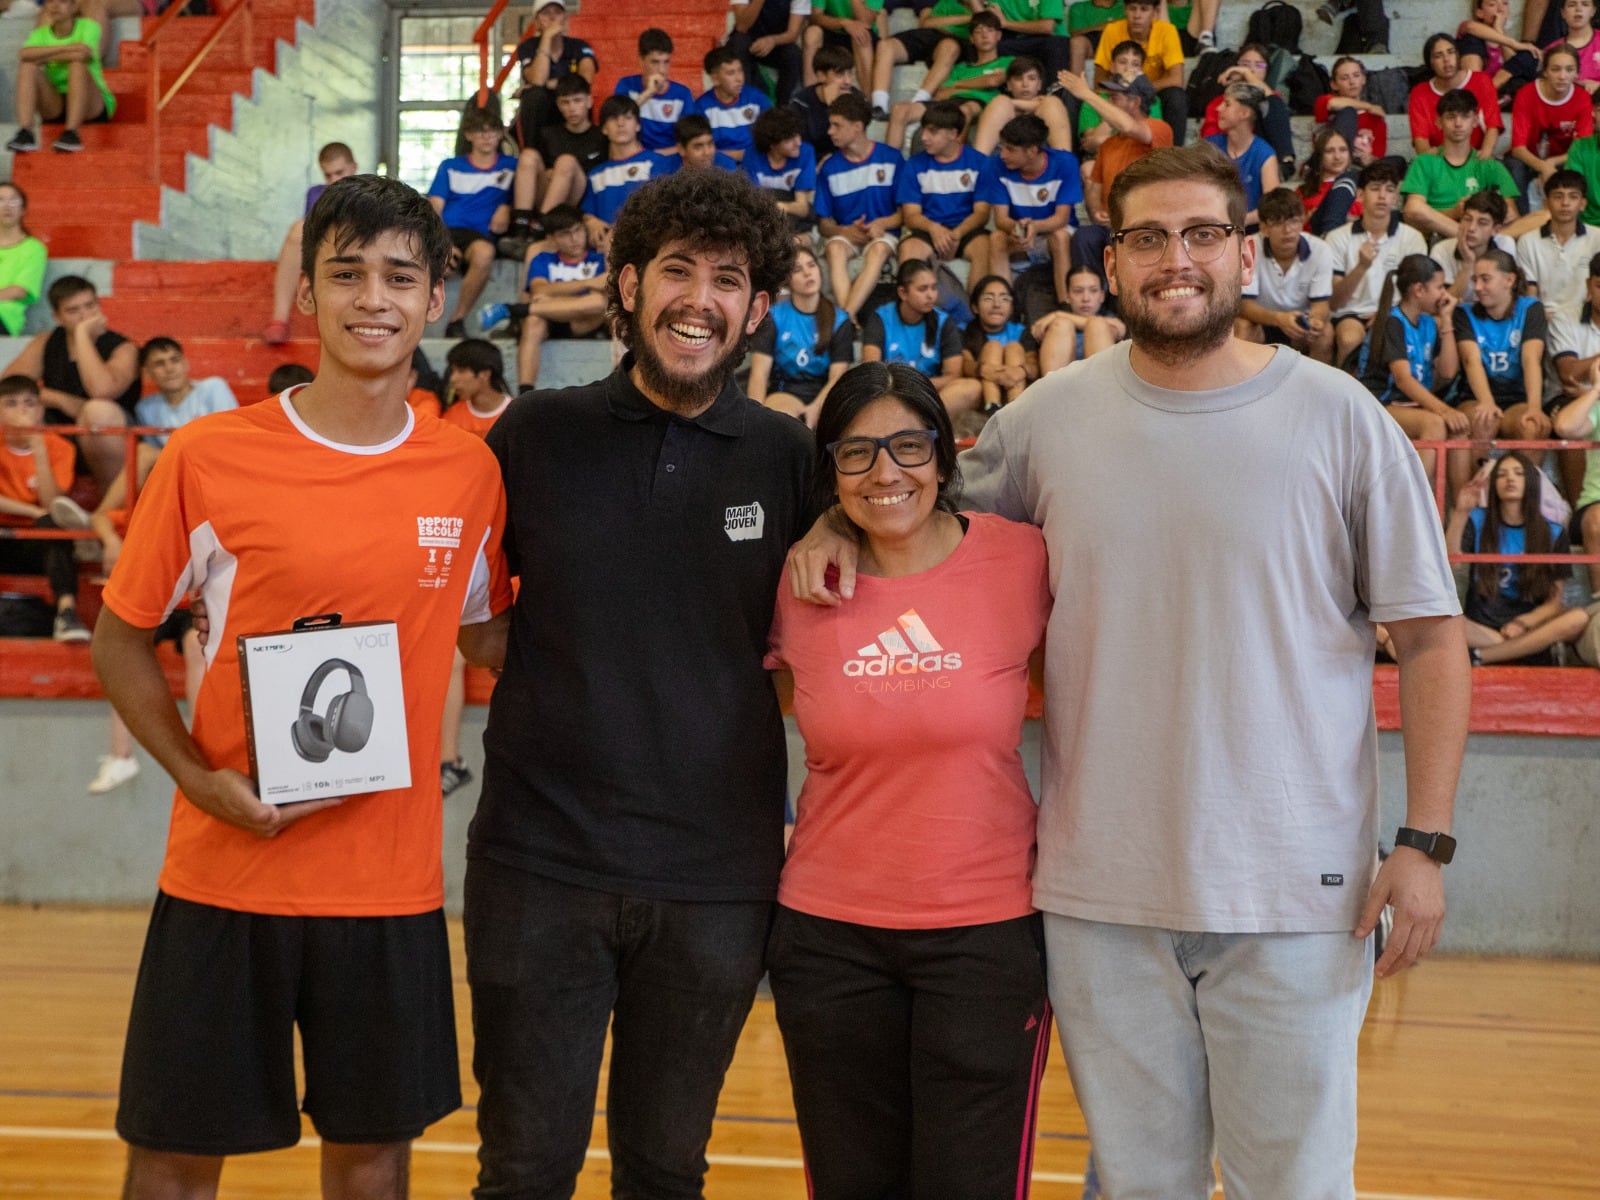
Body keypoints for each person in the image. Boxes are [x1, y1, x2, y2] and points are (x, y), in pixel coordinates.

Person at [786, 142, 1470, 1200]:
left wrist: (1424, 841)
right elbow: (912, 498)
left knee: (1289, 1185)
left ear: (1246, 252)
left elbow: (1429, 639)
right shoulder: (1047, 421)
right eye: (1147, 238)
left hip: (1294, 892)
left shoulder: (1342, 419)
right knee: (1134, 1185)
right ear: (1112, 256)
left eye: (1202, 234)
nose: (1175, 261)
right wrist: (832, 514)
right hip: (1100, 893)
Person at [90, 173, 513, 1200]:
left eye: (400, 277)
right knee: (174, 1160)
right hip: (228, 871)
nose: (375, 298)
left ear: (435, 299)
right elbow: (118, 639)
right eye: (348, 274)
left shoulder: (468, 474)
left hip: (389, 885)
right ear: (311, 295)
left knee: (371, 1164)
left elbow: (493, 641)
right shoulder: (207, 455)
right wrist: (195, 778)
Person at [463, 167, 813, 1200]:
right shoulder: (534, 433)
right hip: (540, 863)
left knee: (664, 1172)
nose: (697, 297)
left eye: (727, 277)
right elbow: (477, 623)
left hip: (715, 876)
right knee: (524, 1168)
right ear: (624, 286)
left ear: (756, 307)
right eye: (674, 270)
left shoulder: (785, 455)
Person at [764, 359, 1053, 1198]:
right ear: (831, 472)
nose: (885, 472)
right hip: (827, 940)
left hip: (985, 940)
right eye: (856, 454)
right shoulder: (794, 583)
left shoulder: (1023, 561)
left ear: (942, 455)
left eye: (906, 446)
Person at [1, 274, 140, 492]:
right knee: (15, 408)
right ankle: (27, 498)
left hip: (112, 442)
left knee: (98, 410)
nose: (84, 315)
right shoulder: (46, 341)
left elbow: (100, 390)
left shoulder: (123, 348)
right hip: (57, 435)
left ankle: (110, 503)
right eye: (73, 311)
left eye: (89, 306)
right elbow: (9, 388)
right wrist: (60, 400)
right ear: (58, 316)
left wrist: (83, 335)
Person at [1449, 453, 1590, 662]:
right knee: (1443, 618)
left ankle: (1481, 657)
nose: (1510, 479)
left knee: (1578, 618)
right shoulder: (1477, 519)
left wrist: (1523, 623)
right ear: (1494, 484)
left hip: (1528, 628)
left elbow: (1554, 602)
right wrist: (1460, 512)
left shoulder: (1553, 532)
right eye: (1502, 475)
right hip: (1481, 629)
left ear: (1532, 482)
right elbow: (1450, 565)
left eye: (1518, 473)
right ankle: (1511, 649)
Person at [1057, 67, 1171, 288]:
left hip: (1146, 223)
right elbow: (1095, 188)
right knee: (1084, 237)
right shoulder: (1108, 144)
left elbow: (1127, 125)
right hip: (1113, 225)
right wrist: (1095, 211)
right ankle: (1093, 304)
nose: (1109, 101)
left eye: (1115, 97)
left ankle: (1126, 307)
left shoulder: (1160, 129)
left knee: (1121, 238)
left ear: (1135, 102)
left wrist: (1087, 94)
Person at [1360, 252, 1466, 486]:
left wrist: (1447, 321)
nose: (1444, 294)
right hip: (1378, 403)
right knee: (1435, 423)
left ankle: (1463, 514)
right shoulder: (1392, 321)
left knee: (1460, 426)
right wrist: (1444, 410)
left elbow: (1448, 372)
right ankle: (1415, 497)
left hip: (1410, 404)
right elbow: (1403, 379)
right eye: (1439, 287)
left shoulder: (1428, 322)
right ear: (1419, 290)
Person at [0, 374, 90, 641]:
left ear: (40, 410)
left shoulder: (59, 446)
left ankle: (66, 613)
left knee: (53, 524)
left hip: (39, 543)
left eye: (29, 403)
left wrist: (37, 446)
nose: (22, 411)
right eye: (11, 403)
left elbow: (51, 505)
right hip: (4, 534)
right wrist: (31, 511)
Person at [480, 203, 606, 393]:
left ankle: (513, 310)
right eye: (565, 234)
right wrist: (587, 284)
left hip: (584, 323)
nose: (574, 239)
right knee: (532, 321)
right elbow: (539, 292)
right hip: (551, 322)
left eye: (578, 231)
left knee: (601, 302)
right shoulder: (543, 259)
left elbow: (603, 294)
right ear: (552, 238)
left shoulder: (598, 259)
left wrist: (554, 293)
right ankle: (525, 393)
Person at [1326, 160, 1429, 367]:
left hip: (1397, 312)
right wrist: (1361, 267)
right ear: (1360, 195)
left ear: (1395, 197)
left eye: (1389, 190)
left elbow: (1419, 293)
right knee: (1349, 338)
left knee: (1395, 329)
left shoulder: (1413, 238)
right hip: (1352, 313)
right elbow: (1334, 302)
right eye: (1375, 189)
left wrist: (1386, 314)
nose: (1382, 196)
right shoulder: (1337, 238)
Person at [429, 107, 517, 338]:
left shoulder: (512, 165)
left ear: (501, 134)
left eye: (492, 131)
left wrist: (507, 206)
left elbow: (528, 192)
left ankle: (456, 321)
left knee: (484, 252)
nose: (486, 137)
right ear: (468, 135)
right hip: (447, 231)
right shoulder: (450, 166)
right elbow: (434, 207)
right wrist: (441, 242)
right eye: (480, 132)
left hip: (479, 236)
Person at [816, 91, 903, 320]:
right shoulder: (830, 168)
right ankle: (849, 320)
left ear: (857, 127)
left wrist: (881, 224)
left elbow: (905, 214)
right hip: (847, 235)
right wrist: (843, 231)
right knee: (834, 248)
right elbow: (824, 224)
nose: (829, 131)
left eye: (836, 125)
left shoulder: (892, 158)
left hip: (883, 234)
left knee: (878, 250)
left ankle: (844, 319)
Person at [983, 113, 1082, 311]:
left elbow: (1061, 218)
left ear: (1032, 151)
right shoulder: (996, 165)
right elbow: (1001, 219)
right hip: (1020, 231)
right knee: (996, 238)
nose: (1003, 155)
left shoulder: (1065, 163)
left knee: (1059, 237)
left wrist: (1035, 227)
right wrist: (1019, 228)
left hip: (1053, 232)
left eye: (1010, 149)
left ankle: (1065, 305)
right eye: (1002, 147)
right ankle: (1004, 307)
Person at [263, 143, 360, 344]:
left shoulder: (369, 193)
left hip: (357, 257)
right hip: (324, 254)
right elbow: (310, 236)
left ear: (353, 167)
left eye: (339, 173)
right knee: (299, 229)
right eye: (328, 175)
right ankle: (279, 320)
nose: (334, 180)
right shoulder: (316, 194)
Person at [747, 243, 854, 425]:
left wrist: (816, 407)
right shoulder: (775, 316)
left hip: (825, 393)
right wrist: (754, 420)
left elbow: (837, 377)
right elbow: (759, 374)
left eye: (812, 265)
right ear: (788, 280)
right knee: (782, 419)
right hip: (785, 391)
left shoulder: (840, 319)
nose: (807, 273)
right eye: (798, 269)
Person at [1455, 247, 1553, 439]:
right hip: (1475, 397)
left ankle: (1524, 470)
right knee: (1484, 419)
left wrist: (1534, 408)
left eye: (1485, 279)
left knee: (1533, 425)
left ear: (1509, 280)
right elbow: (1471, 361)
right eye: (1475, 280)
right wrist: (1487, 401)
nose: (1477, 288)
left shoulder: (1531, 308)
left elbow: (1531, 359)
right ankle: (1482, 470)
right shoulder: (1464, 313)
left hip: (1518, 400)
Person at [861, 258, 982, 413]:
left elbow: (953, 375)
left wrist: (918, 386)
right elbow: (871, 370)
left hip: (930, 393)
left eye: (933, 288)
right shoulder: (880, 318)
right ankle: (921, 421)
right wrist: (901, 387)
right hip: (892, 392)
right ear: (903, 292)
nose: (931, 295)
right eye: (923, 289)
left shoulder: (943, 321)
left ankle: (920, 421)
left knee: (972, 387)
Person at [1401, 87, 1522, 240]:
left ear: (1475, 121)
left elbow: (1513, 218)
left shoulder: (1491, 166)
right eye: (1451, 117)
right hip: (1438, 235)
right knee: (1414, 208)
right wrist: (1454, 212)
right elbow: (1412, 213)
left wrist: (1497, 214)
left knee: (1545, 215)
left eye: (1465, 116)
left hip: (1486, 236)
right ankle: (1473, 238)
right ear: (1439, 122)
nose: (1458, 123)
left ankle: (1475, 238)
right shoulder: (1424, 161)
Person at [896, 99, 992, 282]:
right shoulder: (914, 165)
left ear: (953, 134)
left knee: (987, 247)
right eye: (923, 129)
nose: (923, 137)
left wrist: (957, 234)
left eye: (932, 131)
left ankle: (977, 308)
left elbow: (982, 214)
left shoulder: (980, 163)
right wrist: (934, 229)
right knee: (909, 251)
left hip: (966, 230)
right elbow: (911, 216)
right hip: (928, 228)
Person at [1239, 187, 1336, 362]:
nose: (1288, 230)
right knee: (1242, 326)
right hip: (1263, 321)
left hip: (1300, 322)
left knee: (1325, 332)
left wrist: (1315, 322)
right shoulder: (1248, 247)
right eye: (1278, 223)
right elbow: (1245, 306)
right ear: (1264, 228)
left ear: (1303, 221)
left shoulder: (1321, 250)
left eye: (1293, 221)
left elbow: (1321, 304)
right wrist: (1279, 319)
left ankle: (1316, 388)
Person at [6, 0, 115, 154]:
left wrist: (45, 54)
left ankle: (72, 132)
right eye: (50, 1)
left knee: (77, 65)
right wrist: (68, 47)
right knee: (28, 65)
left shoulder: (88, 27)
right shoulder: (41, 33)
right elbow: (24, 54)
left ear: (74, 6)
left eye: (62, 1)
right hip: (56, 102)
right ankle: (26, 132)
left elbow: (83, 53)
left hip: (90, 104)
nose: (55, 6)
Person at [581, 95, 676, 254]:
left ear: (638, 125)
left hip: (647, 246)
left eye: (628, 117)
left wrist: (618, 231)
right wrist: (589, 220)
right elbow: (587, 211)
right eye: (613, 118)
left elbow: (663, 210)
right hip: (604, 252)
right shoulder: (596, 173)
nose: (621, 123)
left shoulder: (658, 162)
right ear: (604, 128)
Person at [1092, 0, 1187, 145]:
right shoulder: (1112, 30)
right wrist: (1122, 91)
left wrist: (1140, 89)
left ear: (1156, 11)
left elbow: (1177, 79)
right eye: (1132, 9)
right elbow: (1099, 79)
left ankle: (1174, 153)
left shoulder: (1167, 30)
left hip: (1154, 92)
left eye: (1144, 9)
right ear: (1125, 9)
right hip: (1118, 90)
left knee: (1177, 96)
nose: (1137, 15)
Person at [1516, 167, 1600, 320]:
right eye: (1558, 196)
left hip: (1586, 320)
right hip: (1543, 320)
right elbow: (1530, 296)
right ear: (1546, 203)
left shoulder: (1597, 238)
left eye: (1573, 197)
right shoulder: (1528, 242)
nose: (1565, 203)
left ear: (1583, 204)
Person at [1508, 43, 1592, 192]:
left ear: (1577, 73)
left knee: (1585, 163)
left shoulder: (1582, 98)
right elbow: (1518, 148)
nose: (1562, 76)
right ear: (1545, 71)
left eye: (1569, 70)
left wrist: (1551, 163)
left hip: (1563, 160)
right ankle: (1520, 215)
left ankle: (1580, 215)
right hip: (1529, 159)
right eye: (1555, 69)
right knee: (1514, 165)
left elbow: (1581, 148)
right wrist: (1543, 166)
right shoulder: (1526, 94)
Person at [1408, 34, 1504, 157]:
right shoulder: (1419, 93)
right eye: (1438, 56)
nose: (1446, 59)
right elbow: (1420, 140)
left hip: (1477, 157)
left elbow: (1493, 125)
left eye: (1451, 52)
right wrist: (1431, 163)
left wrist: (1485, 155)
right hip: (1439, 160)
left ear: (1458, 56)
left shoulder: (1481, 81)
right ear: (1430, 63)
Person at [1553, 346, 1600, 592]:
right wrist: (1595, 391)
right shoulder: (1598, 409)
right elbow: (1564, 427)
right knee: (1598, 519)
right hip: (1594, 505)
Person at [1203, 82, 1280, 231]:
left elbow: (1272, 206)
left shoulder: (1264, 154)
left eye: (1227, 104)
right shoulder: (1210, 146)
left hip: (1249, 232)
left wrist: (1237, 222)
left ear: (1244, 113)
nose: (1219, 109)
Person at [961, 274, 1038, 407]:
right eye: (988, 298)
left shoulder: (1021, 331)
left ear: (1011, 308)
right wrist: (986, 370)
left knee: (1013, 347)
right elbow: (965, 365)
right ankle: (992, 406)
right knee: (993, 347)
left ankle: (1016, 407)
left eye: (1004, 299)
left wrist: (1020, 371)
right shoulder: (965, 331)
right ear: (975, 307)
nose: (997, 304)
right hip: (983, 390)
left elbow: (1033, 366)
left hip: (1016, 384)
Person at [741, 105, 819, 236]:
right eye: (790, 139)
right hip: (762, 219)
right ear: (772, 145)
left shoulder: (805, 152)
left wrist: (778, 206)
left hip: (794, 222)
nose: (798, 143)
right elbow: (751, 203)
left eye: (798, 135)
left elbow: (802, 208)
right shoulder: (752, 154)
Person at [1031, 262, 1124, 371]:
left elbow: (1120, 329)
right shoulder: (1055, 323)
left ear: (1102, 296)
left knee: (1097, 325)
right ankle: (1056, 388)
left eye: (1093, 290)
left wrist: (1058, 314)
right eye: (1078, 291)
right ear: (1067, 296)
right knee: (1062, 325)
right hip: (1064, 384)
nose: (1086, 298)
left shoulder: (1112, 320)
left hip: (1099, 384)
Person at [616, 27, 696, 153]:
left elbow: (690, 141)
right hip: (634, 157)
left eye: (666, 62)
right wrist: (647, 94)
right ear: (641, 60)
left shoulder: (682, 95)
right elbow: (617, 124)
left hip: (670, 159)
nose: (662, 70)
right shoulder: (626, 85)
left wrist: (654, 156)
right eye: (655, 62)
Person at [1432, 186, 1517, 295]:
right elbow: (1442, 304)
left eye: (1482, 223)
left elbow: (1506, 297)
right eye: (1467, 219)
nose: (1471, 228)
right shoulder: (1441, 250)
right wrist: (1467, 265)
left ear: (1496, 230)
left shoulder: (1505, 244)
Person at [695, 45, 771, 162]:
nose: (739, 78)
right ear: (715, 79)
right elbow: (703, 152)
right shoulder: (702, 108)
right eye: (731, 73)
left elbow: (773, 138)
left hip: (756, 165)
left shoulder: (756, 98)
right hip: (721, 168)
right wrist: (739, 155)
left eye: (740, 71)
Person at [726, 0, 808, 106]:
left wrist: (773, 40)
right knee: (739, 42)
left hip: (776, 43)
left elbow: (792, 34)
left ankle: (783, 109)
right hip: (746, 42)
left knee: (793, 54)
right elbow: (742, 27)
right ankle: (743, 103)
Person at [789, 42, 861, 162]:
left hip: (844, 160)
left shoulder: (856, 97)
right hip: (811, 163)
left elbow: (855, 141)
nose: (848, 81)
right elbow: (799, 146)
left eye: (850, 73)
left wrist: (838, 107)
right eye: (840, 74)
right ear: (821, 76)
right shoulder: (800, 103)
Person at [1314, 56, 1390, 163]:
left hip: (1360, 166)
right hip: (1331, 161)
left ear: (1363, 79)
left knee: (1398, 161)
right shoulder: (1323, 101)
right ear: (1334, 85)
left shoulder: (1375, 117)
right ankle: (1346, 159)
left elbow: (1378, 155)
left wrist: (1370, 158)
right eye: (1344, 78)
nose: (1352, 82)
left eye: (1356, 76)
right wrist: (1369, 106)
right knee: (1348, 112)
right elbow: (1333, 103)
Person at [804, 0, 883, 96]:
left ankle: (869, 103)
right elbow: (815, 17)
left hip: (862, 33)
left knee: (860, 35)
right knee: (812, 34)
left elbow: (866, 22)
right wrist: (844, 23)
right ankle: (809, 100)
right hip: (834, 28)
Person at [0, 182, 46, 338]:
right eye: (1, 200)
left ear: (22, 209)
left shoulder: (33, 249)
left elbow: (19, 291)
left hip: (5, 319)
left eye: (14, 200)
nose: (7, 206)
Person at [1299, 126, 1362, 236]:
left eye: (1343, 150)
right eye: (1329, 151)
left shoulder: (1363, 188)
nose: (1337, 157)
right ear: (1320, 156)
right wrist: (1309, 217)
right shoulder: (1303, 192)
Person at [672, 112, 739, 171]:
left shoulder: (726, 166)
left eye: (710, 144)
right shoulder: (665, 171)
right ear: (681, 149)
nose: (707, 152)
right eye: (698, 147)